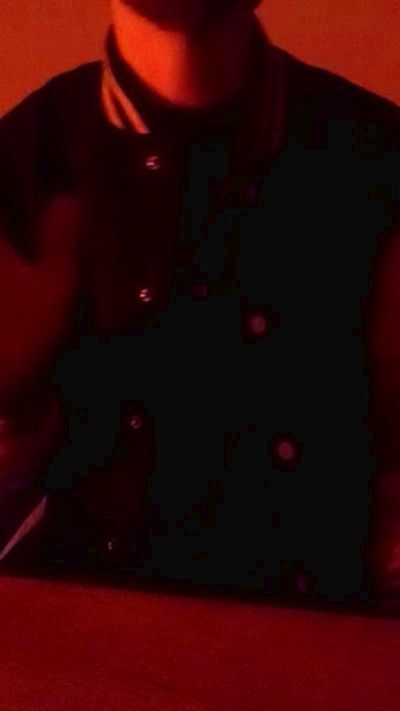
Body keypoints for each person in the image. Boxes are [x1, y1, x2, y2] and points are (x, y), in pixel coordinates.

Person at [0, 0, 399, 606]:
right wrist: (14, 414)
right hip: (83, 651)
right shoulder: (21, 169)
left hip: (324, 652)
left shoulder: (378, 161)